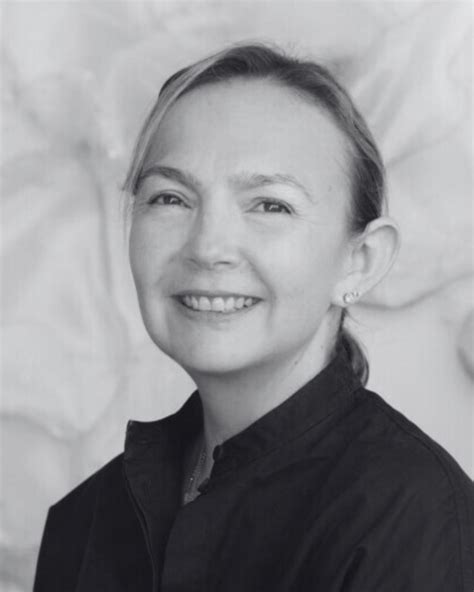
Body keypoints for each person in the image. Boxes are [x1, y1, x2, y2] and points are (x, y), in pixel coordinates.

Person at [34, 43, 473, 592]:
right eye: (170, 198)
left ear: (360, 260)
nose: (208, 247)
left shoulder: (416, 518)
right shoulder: (85, 519)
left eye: (270, 205)